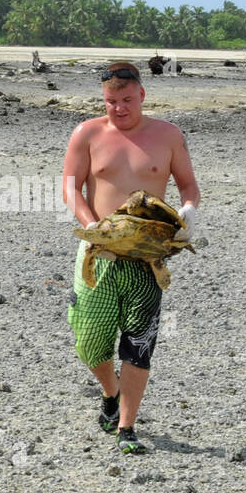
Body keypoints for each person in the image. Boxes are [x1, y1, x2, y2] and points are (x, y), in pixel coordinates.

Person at [62, 62, 200, 454]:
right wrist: (92, 227)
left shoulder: (168, 135)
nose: (119, 108)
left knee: (139, 343)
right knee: (89, 342)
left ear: (141, 95)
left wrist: (188, 210)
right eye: (111, 101)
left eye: (126, 99)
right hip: (99, 251)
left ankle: (126, 427)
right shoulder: (87, 133)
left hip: (147, 255)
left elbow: (188, 186)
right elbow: (70, 187)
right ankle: (111, 390)